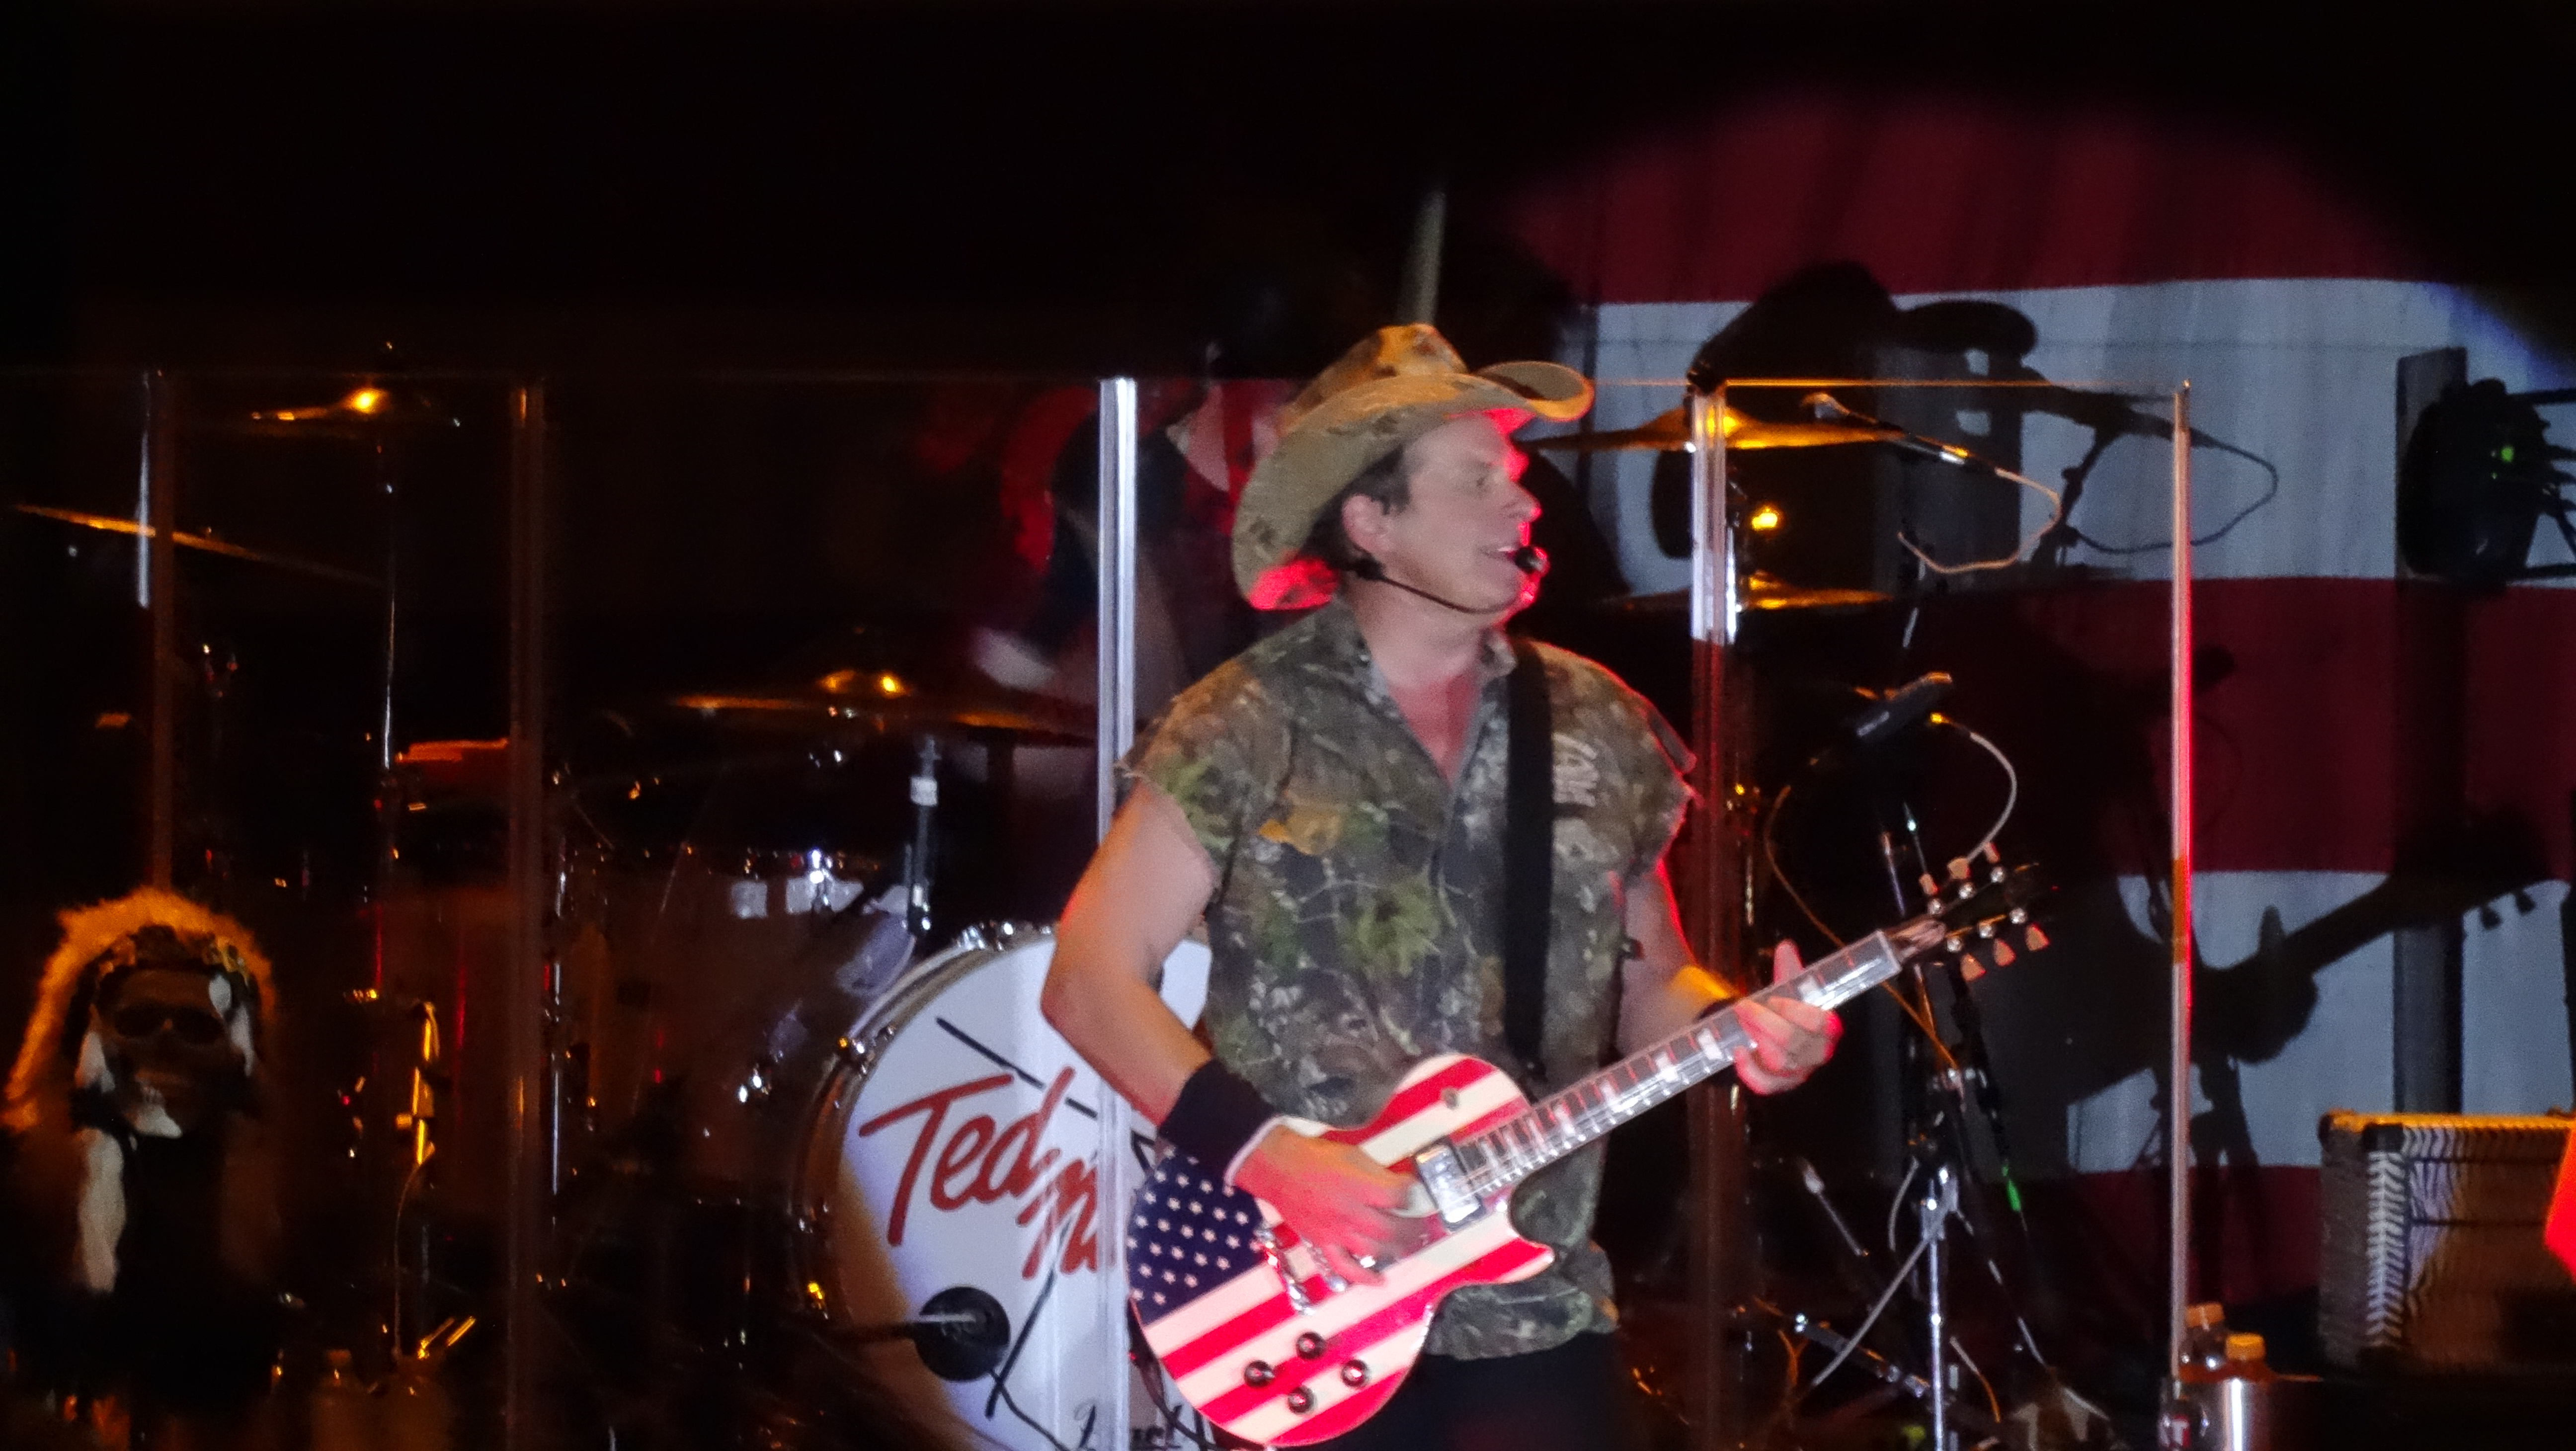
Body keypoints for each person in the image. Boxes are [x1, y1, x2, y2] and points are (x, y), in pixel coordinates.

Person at [1041, 324, 1841, 1451]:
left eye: (1514, 477)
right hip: (1297, 1299)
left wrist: (1741, 1026)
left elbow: (1651, 980)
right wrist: (1272, 1156)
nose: (1523, 505)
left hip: (1536, 1303)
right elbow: (1088, 980)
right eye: (1475, 480)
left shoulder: (1596, 720)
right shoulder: (1246, 723)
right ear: (1372, 522)